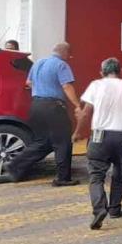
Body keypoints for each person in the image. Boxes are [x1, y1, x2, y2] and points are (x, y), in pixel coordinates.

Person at [78, 58, 122, 229]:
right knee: (119, 173)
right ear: (121, 70)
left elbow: (85, 113)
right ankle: (114, 209)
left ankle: (99, 209)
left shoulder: (95, 85)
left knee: (96, 176)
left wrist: (77, 132)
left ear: (101, 72)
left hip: (99, 136)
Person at [8, 42, 80, 185]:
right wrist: (77, 105)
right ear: (65, 53)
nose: (69, 57)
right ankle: (63, 178)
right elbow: (66, 86)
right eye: (69, 54)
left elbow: (28, 82)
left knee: (43, 141)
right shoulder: (61, 65)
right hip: (54, 107)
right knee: (63, 142)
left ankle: (15, 165)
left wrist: (42, 89)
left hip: (36, 106)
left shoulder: (39, 63)